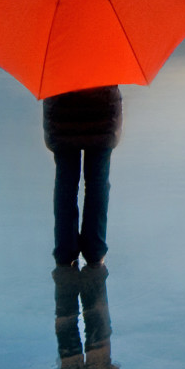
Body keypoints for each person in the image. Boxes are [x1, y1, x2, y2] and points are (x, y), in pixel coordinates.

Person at [43, 85, 122, 267]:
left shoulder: (55, 56)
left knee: (66, 184)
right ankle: (95, 251)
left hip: (62, 111)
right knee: (98, 184)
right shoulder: (107, 54)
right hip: (102, 110)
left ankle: (65, 252)